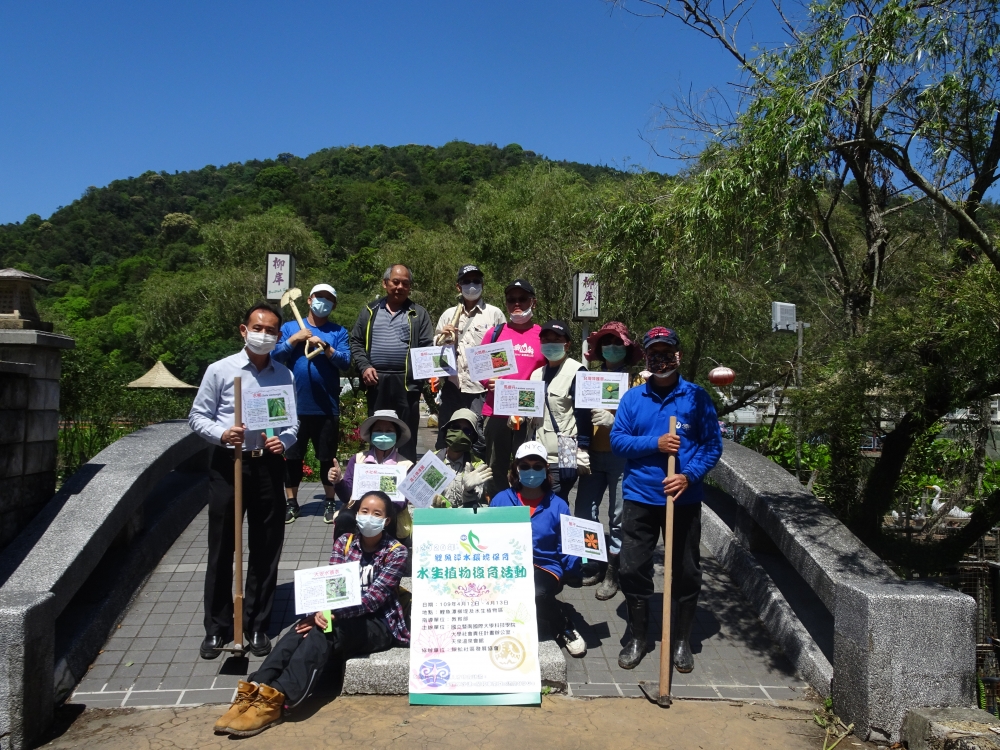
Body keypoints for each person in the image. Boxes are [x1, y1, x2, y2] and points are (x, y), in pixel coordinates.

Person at [213, 490, 408, 737]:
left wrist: (331, 613)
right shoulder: (344, 542)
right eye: (364, 511)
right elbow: (332, 586)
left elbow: (374, 599)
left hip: (379, 624)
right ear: (356, 513)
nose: (369, 517)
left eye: (377, 513)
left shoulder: (396, 552)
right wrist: (320, 610)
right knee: (301, 627)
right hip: (341, 614)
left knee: (324, 633)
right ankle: (255, 687)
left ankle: (280, 700)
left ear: (386, 521)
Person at [189, 302, 298, 660]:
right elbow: (198, 417)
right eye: (258, 328)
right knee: (223, 547)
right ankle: (218, 627)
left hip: (267, 465)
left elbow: (292, 424)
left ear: (278, 336)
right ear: (243, 329)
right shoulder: (220, 371)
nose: (263, 335)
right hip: (228, 464)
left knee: (266, 547)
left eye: (270, 331)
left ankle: (256, 623)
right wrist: (223, 434)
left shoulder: (284, 375)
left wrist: (285, 440)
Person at [610, 327, 723, 672]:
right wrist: (654, 444)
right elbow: (618, 442)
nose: (660, 358)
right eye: (653, 353)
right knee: (631, 567)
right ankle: (640, 637)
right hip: (640, 497)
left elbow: (712, 446)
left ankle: (681, 640)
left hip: (683, 500)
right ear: (646, 357)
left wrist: (688, 476)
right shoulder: (633, 399)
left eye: (666, 351)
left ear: (678, 355)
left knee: (686, 572)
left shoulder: (697, 398)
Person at [490, 441, 587, 657]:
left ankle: (563, 624)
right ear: (516, 469)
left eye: (537, 466)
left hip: (544, 566)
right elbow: (487, 536)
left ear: (546, 469)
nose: (530, 471)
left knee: (537, 594)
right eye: (524, 466)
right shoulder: (501, 500)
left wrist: (578, 566)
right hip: (507, 564)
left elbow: (568, 543)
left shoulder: (558, 505)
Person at [272, 283, 351, 525]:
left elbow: (346, 362)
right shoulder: (288, 328)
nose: (323, 302)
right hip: (292, 406)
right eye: (319, 297)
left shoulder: (338, 331)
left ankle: (329, 502)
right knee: (292, 457)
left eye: (329, 299)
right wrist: (294, 339)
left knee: (327, 457)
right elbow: (274, 357)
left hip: (327, 406)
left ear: (333, 305)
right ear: (309, 299)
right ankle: (292, 503)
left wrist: (326, 347)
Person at [576, 321, 644, 599]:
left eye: (618, 343)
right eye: (606, 343)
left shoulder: (638, 382)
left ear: (627, 349)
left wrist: (614, 422)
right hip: (591, 455)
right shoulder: (587, 378)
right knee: (584, 512)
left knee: (618, 517)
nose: (612, 348)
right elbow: (577, 416)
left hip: (621, 457)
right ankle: (593, 562)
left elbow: (642, 424)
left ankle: (613, 572)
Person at [350, 264, 434, 461]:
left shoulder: (418, 314)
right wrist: (364, 367)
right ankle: (375, 478)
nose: (399, 287)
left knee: (406, 436)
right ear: (385, 283)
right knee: (379, 433)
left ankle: (404, 484)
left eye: (405, 283)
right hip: (376, 381)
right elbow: (356, 341)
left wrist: (429, 376)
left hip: (407, 384)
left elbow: (426, 346)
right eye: (395, 282)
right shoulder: (369, 311)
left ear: (410, 287)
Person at [480, 279, 547, 497]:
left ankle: (524, 511)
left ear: (533, 302)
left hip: (528, 415)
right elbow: (481, 371)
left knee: (527, 468)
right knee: (494, 469)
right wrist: (487, 381)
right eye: (511, 299)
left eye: (522, 299)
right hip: (496, 413)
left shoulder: (543, 336)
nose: (516, 303)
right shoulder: (495, 334)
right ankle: (497, 511)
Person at [433, 264, 506, 449]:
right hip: (453, 387)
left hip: (480, 390)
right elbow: (433, 353)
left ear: (482, 284)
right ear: (458, 286)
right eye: (467, 281)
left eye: (476, 281)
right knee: (447, 437)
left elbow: (503, 354)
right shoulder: (448, 315)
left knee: (479, 439)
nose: (472, 285)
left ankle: (478, 474)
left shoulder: (494, 314)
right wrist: (444, 339)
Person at [528, 320, 593, 500]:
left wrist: (582, 449)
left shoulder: (577, 371)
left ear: (567, 344)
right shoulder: (535, 374)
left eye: (556, 339)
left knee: (554, 500)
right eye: (546, 340)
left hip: (564, 452)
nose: (550, 344)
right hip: (537, 451)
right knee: (540, 500)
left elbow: (583, 414)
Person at [330, 409, 414, 543]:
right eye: (379, 430)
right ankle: (342, 557)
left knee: (388, 521)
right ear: (371, 434)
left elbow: (401, 503)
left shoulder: (405, 465)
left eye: (389, 431)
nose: (383, 434)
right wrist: (339, 481)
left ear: (397, 435)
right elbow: (346, 497)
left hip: (390, 516)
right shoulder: (357, 459)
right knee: (345, 517)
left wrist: (376, 512)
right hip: (359, 512)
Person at [430, 408, 493, 508]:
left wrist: (469, 491)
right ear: (447, 431)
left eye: (467, 431)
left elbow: (477, 499)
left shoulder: (478, 465)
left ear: (472, 438)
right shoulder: (432, 460)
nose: (459, 434)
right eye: (455, 427)